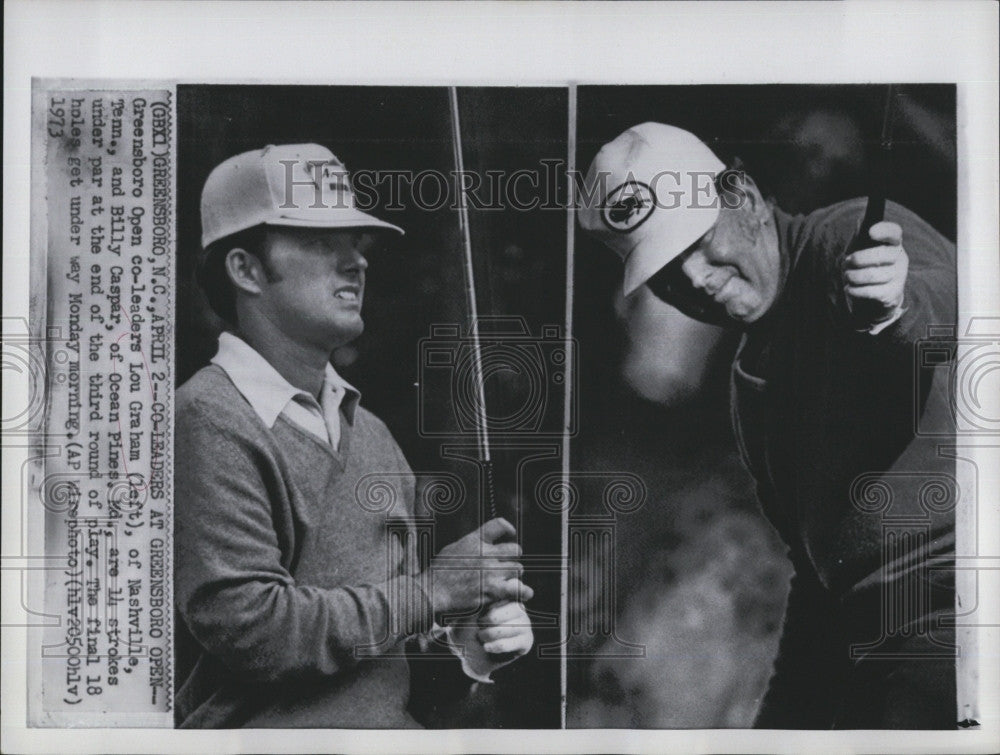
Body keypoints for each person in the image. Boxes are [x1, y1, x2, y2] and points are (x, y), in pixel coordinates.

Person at [579, 122, 957, 729]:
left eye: (701, 244)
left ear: (746, 200)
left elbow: (955, 311)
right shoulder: (751, 380)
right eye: (667, 275)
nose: (697, 280)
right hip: (873, 640)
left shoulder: (845, 238)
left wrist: (899, 308)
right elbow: (817, 576)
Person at [175, 143, 534, 728]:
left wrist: (468, 652)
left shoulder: (372, 435)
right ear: (244, 270)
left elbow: (386, 681)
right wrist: (432, 593)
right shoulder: (207, 418)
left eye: (356, 242)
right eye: (321, 241)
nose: (356, 262)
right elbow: (254, 631)